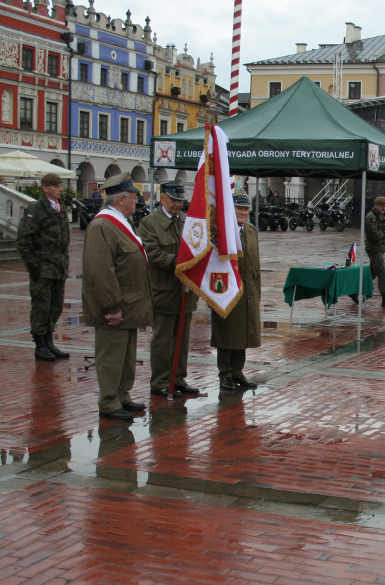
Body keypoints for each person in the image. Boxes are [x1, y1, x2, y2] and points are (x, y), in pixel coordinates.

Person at [82, 173, 154, 421]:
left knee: (125, 355)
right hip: (115, 306)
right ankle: (109, 401)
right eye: (134, 197)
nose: (137, 201)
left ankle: (122, 395)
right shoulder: (102, 226)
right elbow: (100, 271)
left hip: (129, 304)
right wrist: (111, 306)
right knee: (111, 355)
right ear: (121, 199)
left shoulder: (121, 222)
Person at [138, 182, 200, 397]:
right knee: (163, 340)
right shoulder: (149, 223)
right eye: (173, 199)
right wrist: (181, 262)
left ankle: (178, 378)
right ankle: (160, 382)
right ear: (162, 198)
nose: (177, 204)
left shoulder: (188, 222)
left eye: (180, 200)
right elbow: (152, 254)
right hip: (163, 291)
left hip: (185, 291)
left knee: (182, 339)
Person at [16, 173, 70, 361]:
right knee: (41, 306)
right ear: (45, 188)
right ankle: (40, 345)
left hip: (58, 266)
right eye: (56, 186)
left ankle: (49, 342)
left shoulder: (59, 208)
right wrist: (33, 265)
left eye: (60, 185)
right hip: (43, 266)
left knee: (55, 306)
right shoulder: (37, 209)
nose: (60, 189)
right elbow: (24, 239)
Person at [212, 194, 261, 392]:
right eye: (238, 209)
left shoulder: (251, 230)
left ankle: (238, 371)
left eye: (245, 209)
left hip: (248, 291)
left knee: (244, 335)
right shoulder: (220, 232)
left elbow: (255, 266)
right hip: (227, 291)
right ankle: (225, 374)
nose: (242, 212)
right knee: (227, 334)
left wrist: (256, 292)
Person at [363, 196, 385, 307]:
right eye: (382, 205)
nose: (384, 208)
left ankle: (354, 292)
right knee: (382, 273)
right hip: (374, 249)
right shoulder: (371, 217)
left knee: (371, 274)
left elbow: (380, 230)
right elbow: (374, 234)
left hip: (379, 248)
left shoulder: (379, 216)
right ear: (376, 205)